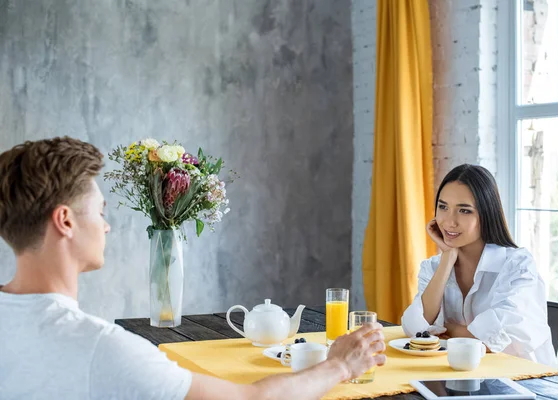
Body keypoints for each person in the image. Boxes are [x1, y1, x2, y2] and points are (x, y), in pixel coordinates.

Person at [0, 137, 387, 400]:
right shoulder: (104, 349)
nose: (106, 226)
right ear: (65, 221)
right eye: (100, 212)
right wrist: (341, 364)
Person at [401, 164, 557, 367]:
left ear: (486, 214)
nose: (449, 221)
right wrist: (447, 258)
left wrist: (449, 330)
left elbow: (502, 340)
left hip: (526, 382)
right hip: (463, 378)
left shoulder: (517, 265)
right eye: (443, 207)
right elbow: (414, 329)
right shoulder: (433, 268)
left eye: (464, 211)